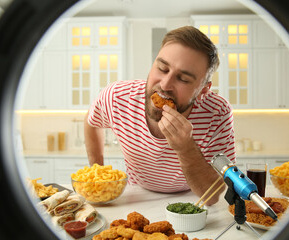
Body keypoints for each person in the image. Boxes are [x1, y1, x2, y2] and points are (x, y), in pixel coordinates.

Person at [84, 26, 236, 205]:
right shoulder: (117, 97)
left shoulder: (217, 113)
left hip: (193, 199)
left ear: (203, 90)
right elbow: (91, 122)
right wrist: (98, 173)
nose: (164, 85)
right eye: (162, 68)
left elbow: (213, 196)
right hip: (136, 195)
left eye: (184, 79)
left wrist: (186, 148)